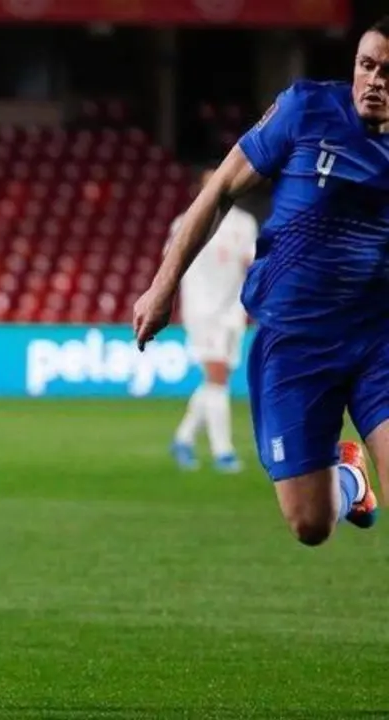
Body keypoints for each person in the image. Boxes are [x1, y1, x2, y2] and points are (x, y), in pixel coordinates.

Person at [135, 16, 389, 547]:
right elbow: (222, 188)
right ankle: (351, 480)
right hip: (297, 342)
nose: (374, 81)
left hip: (378, 340)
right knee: (311, 524)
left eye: (387, 73)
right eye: (366, 65)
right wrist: (162, 287)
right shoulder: (307, 109)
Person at [167, 169, 257, 473]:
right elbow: (172, 264)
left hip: (232, 311)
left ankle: (183, 439)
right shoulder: (186, 222)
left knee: (217, 379)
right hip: (202, 310)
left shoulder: (244, 223)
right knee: (217, 376)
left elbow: (251, 264)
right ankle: (223, 451)